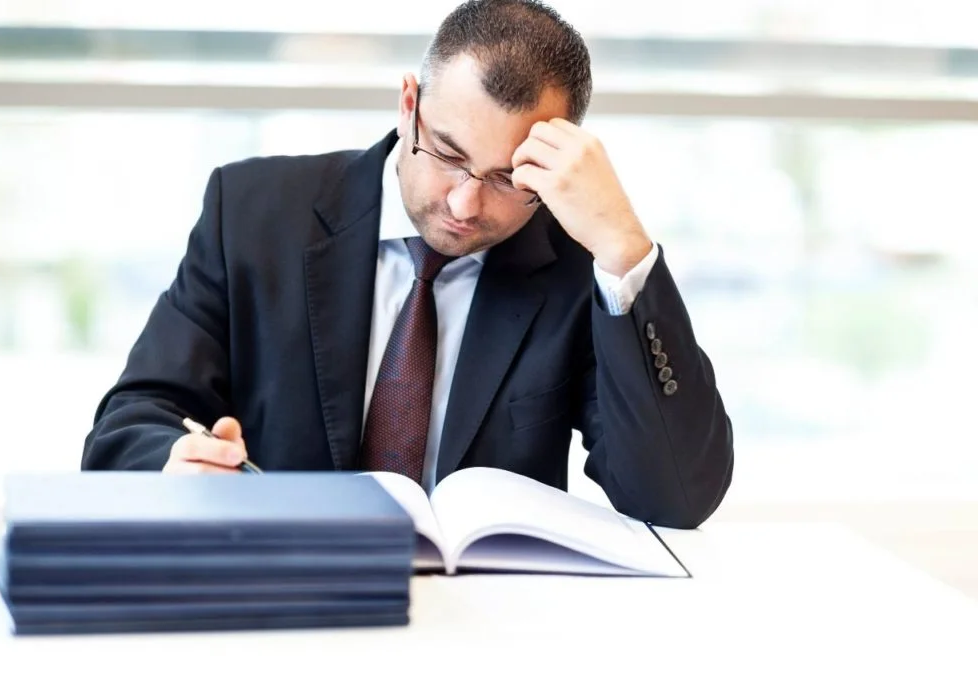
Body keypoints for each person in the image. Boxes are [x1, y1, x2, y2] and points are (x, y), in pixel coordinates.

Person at [81, 0, 733, 529]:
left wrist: (625, 251)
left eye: (509, 179)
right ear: (408, 103)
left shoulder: (575, 267)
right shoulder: (252, 213)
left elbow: (674, 498)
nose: (464, 202)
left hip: (487, 626)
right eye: (448, 153)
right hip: (282, 598)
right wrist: (174, 462)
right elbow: (131, 422)